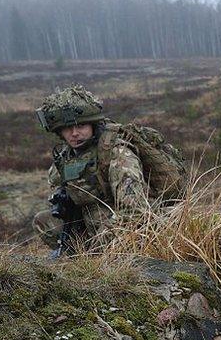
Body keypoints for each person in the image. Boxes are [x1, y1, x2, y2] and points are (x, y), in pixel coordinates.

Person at [31, 85, 151, 253]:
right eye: (67, 128)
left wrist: (101, 244)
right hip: (87, 225)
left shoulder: (117, 154)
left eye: (81, 126)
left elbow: (135, 213)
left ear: (93, 125)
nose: (74, 133)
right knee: (43, 221)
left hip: (123, 228)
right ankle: (78, 258)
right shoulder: (66, 157)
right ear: (59, 132)